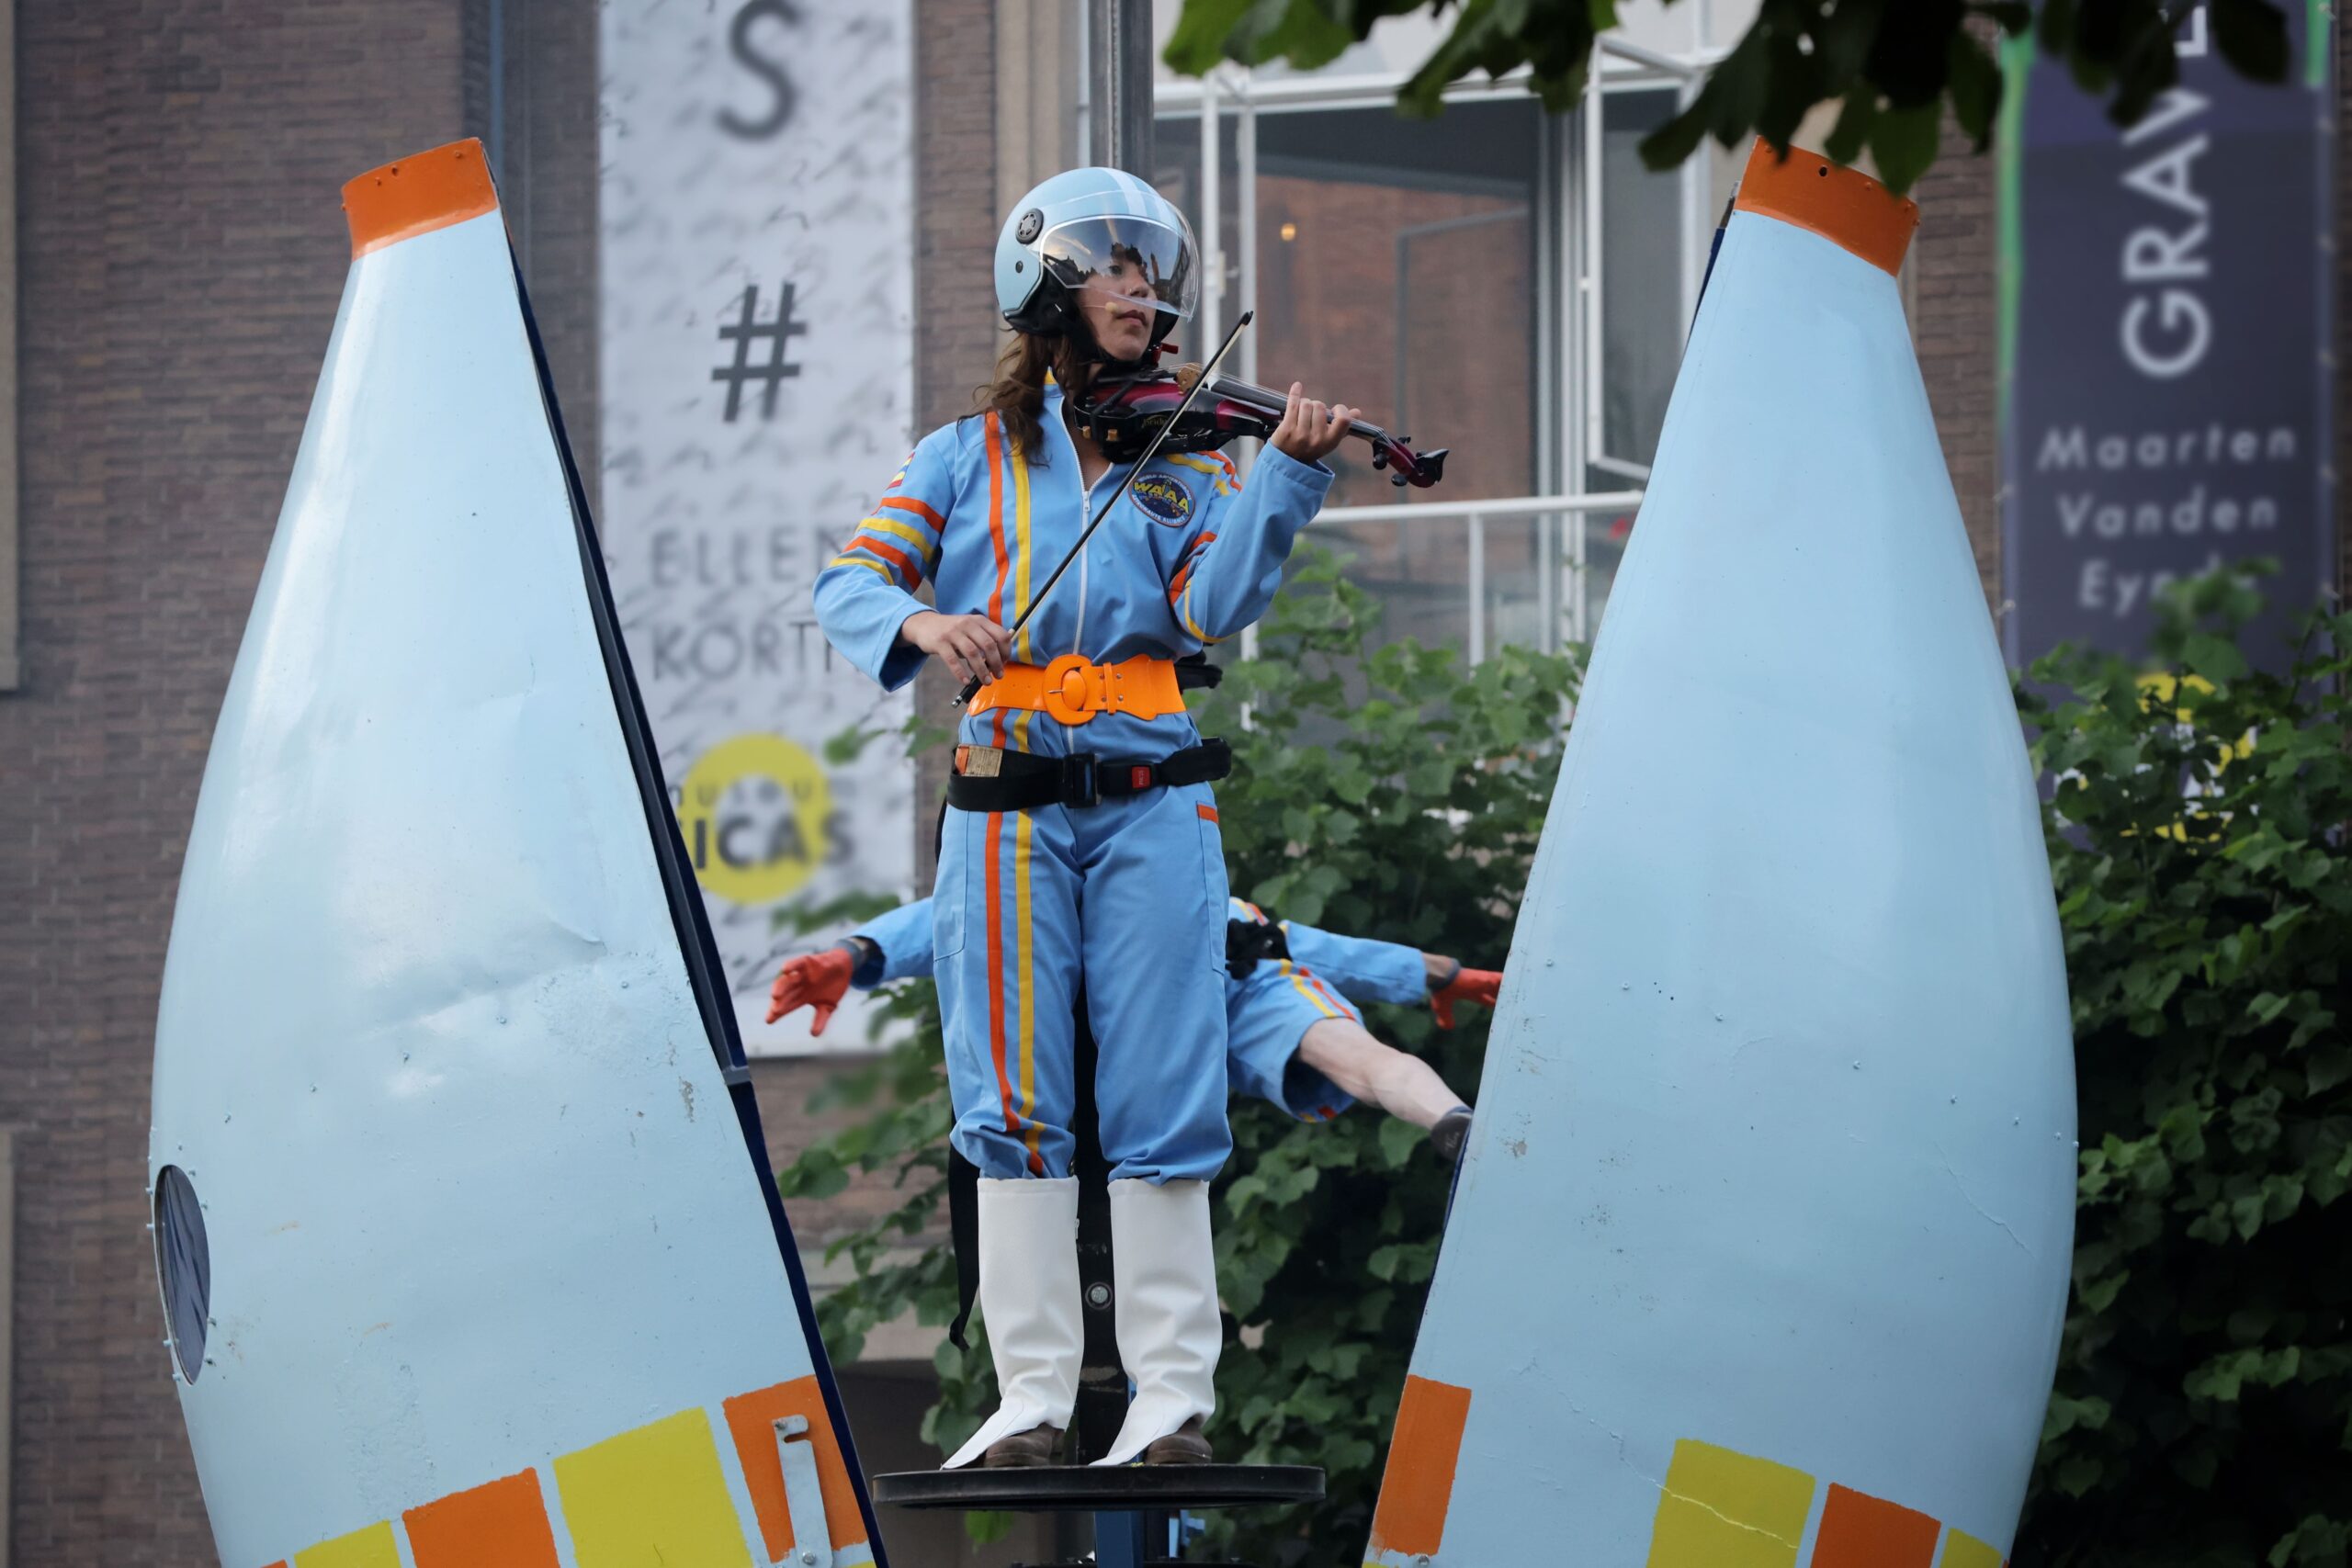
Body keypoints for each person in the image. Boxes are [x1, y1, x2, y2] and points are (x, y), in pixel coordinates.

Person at [811, 167, 1357, 1470]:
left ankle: (1172, 1396)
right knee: (1010, 1088)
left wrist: (1284, 480)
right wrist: (926, 622)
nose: (1142, 291)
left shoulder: (1190, 461)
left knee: (1168, 1077)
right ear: (1045, 280)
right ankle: (1032, 1398)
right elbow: (851, 580)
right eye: (1115, 265)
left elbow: (1213, 607)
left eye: (1152, 273)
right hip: (1005, 803)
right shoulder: (960, 455)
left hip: (1154, 800)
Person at [770, 897, 1503, 1156]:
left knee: (1355, 1058)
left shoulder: (1066, 867)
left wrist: (855, 953)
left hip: (1214, 983)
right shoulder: (1123, 862)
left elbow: (948, 915)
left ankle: (1455, 1123)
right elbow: (1315, 947)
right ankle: (1450, 1116)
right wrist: (1438, 973)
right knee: (1358, 1058)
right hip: (1214, 986)